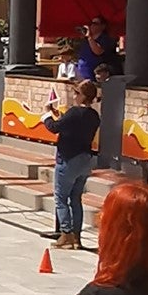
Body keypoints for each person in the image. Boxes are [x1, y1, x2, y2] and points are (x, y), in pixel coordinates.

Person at [43, 80, 102, 251]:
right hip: (85, 159)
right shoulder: (94, 115)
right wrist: (61, 117)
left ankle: (66, 234)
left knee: (61, 198)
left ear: (83, 96)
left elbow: (55, 128)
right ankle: (77, 237)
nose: (74, 96)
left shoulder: (75, 112)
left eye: (77, 93)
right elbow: (72, 126)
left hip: (69, 158)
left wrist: (46, 116)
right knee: (76, 198)